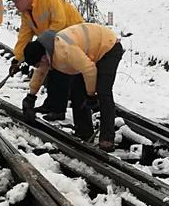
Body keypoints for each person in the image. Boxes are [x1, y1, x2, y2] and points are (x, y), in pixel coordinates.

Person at [20, 23, 124, 152]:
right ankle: (84, 132)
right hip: (89, 53)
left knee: (103, 92)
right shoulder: (46, 51)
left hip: (108, 47)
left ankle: (107, 139)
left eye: (38, 63)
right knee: (77, 91)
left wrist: (91, 95)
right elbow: (41, 71)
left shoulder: (64, 50)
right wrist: (31, 95)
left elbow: (90, 70)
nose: (38, 67)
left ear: (43, 57)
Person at [6, 0, 83, 120]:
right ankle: (50, 104)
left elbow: (60, 22)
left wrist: (40, 44)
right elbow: (24, 36)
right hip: (53, 41)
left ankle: (58, 110)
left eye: (16, 2)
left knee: (60, 72)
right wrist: (17, 59)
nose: (15, 6)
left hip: (74, 36)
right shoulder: (26, 14)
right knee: (49, 68)